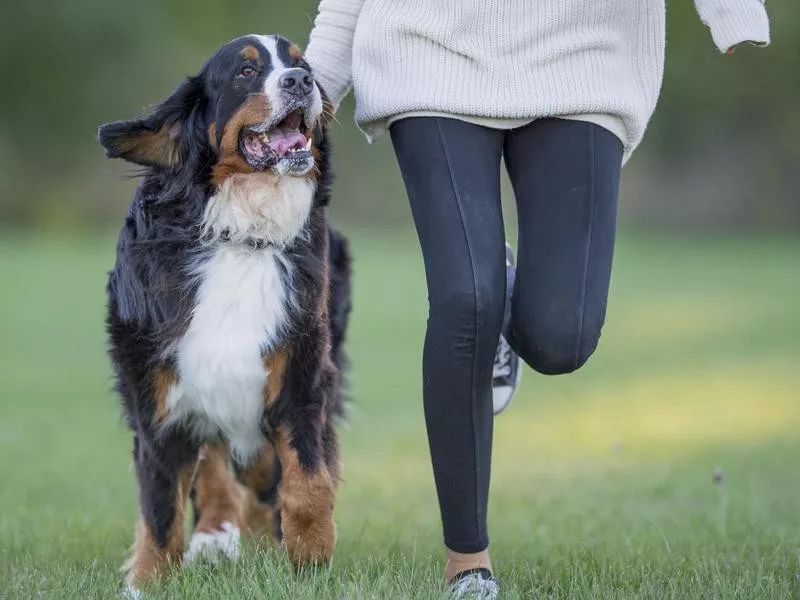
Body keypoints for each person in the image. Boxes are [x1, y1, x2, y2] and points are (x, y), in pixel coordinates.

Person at [305, 1, 770, 597]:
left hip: (584, 53)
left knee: (561, 335)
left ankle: (499, 302)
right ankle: (468, 563)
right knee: (465, 298)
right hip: (428, 46)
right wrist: (316, 82)